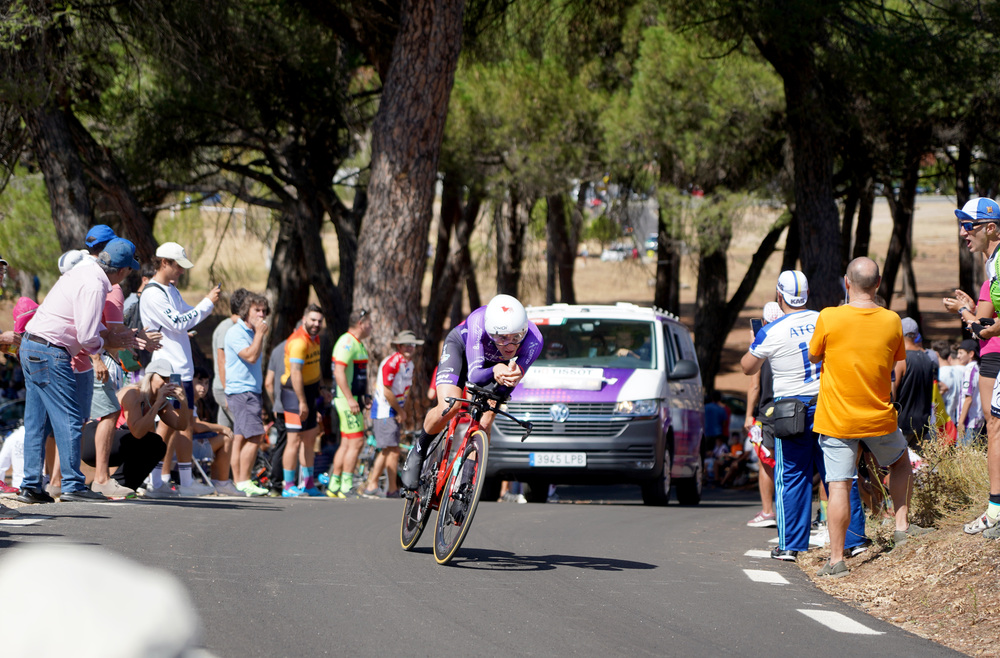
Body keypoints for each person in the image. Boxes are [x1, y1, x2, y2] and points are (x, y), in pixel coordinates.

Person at [810, 257, 932, 578]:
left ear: (846, 283)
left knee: (838, 485)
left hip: (837, 418)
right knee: (900, 462)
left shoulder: (829, 317)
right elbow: (894, 359)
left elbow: (814, 354)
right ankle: (902, 527)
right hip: (878, 416)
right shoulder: (892, 320)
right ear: (878, 285)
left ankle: (837, 561)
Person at [741, 270, 867, 562]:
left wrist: (755, 339)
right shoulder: (826, 318)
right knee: (839, 474)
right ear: (807, 294)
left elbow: (748, 367)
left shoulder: (771, 330)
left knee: (792, 476)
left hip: (791, 410)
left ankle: (791, 546)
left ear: (779, 295)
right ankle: (855, 539)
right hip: (829, 403)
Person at [17, 237, 138, 504]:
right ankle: (73, 484)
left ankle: (31, 485)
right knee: (71, 418)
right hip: (51, 351)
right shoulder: (96, 287)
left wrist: (108, 337)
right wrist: (108, 342)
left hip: (32, 345)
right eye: (130, 269)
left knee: (37, 423)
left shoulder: (84, 271)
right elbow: (87, 336)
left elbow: (87, 326)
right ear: (121, 270)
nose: (128, 275)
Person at [400, 294, 543, 490]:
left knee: (486, 419)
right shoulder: (478, 320)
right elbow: (474, 376)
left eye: (516, 337)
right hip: (462, 349)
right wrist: (495, 370)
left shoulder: (535, 340)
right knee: (449, 406)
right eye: (502, 337)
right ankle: (419, 449)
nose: (510, 345)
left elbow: (507, 386)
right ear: (492, 332)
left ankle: (466, 482)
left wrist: (508, 377)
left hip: (494, 366)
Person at [140, 241, 220, 497]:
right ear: (164, 263)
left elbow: (184, 316)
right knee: (165, 424)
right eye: (178, 266)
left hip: (181, 367)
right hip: (168, 369)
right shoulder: (153, 293)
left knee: (181, 424)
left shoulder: (170, 290)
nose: (182, 272)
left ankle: (175, 480)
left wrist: (195, 316)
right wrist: (207, 303)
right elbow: (178, 322)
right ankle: (153, 480)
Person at [944, 198, 1000, 537]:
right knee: (994, 426)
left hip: (994, 354)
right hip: (992, 352)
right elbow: (984, 321)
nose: (964, 232)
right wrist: (974, 316)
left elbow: (984, 325)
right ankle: (994, 507)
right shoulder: (991, 264)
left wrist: (972, 318)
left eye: (970, 226)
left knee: (994, 427)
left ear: (991, 228)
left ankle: (994, 509)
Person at [81, 360, 187, 494]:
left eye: (169, 379)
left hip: (114, 444)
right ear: (150, 377)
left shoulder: (161, 402)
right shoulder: (134, 393)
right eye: (163, 378)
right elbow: (137, 432)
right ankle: (105, 484)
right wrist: (157, 403)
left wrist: (183, 403)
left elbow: (181, 425)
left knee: (157, 445)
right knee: (152, 442)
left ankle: (121, 487)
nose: (166, 383)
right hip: (92, 440)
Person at [362, 330, 423, 498]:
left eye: (413, 345)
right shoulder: (392, 362)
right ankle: (392, 489)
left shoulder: (408, 364)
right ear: (399, 346)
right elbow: (387, 391)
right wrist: (400, 410)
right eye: (407, 344)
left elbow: (405, 389)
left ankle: (372, 484)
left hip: (394, 409)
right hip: (384, 409)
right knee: (393, 450)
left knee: (388, 449)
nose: (410, 348)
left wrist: (402, 409)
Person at [224, 293, 270, 496]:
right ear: (246, 311)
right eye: (256, 310)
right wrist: (260, 335)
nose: (261, 315)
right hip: (242, 391)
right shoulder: (237, 333)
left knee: (241, 437)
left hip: (250, 390)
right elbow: (250, 357)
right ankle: (243, 480)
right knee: (256, 434)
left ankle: (239, 481)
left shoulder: (251, 332)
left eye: (263, 311)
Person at [279, 304, 326, 497]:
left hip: (311, 391)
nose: (316, 324)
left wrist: (322, 388)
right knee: (294, 439)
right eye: (313, 320)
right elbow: (296, 374)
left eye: (319, 321)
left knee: (310, 438)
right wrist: (302, 402)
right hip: (294, 395)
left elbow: (315, 367)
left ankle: (307, 483)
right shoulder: (298, 342)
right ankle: (288, 485)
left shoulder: (315, 339)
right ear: (304, 319)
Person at [326, 309, 373, 498]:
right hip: (347, 400)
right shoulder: (346, 342)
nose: (371, 327)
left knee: (347, 443)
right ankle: (346, 486)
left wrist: (365, 395)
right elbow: (338, 372)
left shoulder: (358, 344)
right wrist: (350, 399)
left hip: (354, 398)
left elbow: (359, 374)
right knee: (356, 442)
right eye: (369, 323)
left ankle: (334, 484)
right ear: (361, 323)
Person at [745, 301, 782, 528]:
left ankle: (768, 511)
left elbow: (754, 384)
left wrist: (749, 414)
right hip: (795, 408)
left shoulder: (761, 343)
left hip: (767, 412)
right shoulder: (791, 339)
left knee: (766, 463)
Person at [191, 368, 239, 495]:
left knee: (224, 436)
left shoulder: (195, 402)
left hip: (190, 445)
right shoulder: (188, 399)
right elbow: (197, 426)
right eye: (199, 382)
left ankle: (219, 482)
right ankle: (222, 482)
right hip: (184, 450)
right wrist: (221, 427)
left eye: (207, 383)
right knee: (227, 436)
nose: (204, 387)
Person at [211, 288, 249, 433]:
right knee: (246, 430)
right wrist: (229, 393)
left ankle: (225, 456)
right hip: (225, 388)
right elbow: (222, 361)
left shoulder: (236, 328)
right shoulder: (227, 328)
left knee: (226, 432)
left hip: (229, 389)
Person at [894, 317, 936, 444]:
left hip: (903, 423)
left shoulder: (901, 360)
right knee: (920, 463)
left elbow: (892, 392)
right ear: (916, 334)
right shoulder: (928, 358)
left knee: (899, 462)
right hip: (923, 423)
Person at [263, 337, 289, 493]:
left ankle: (276, 484)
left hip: (280, 405)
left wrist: (275, 403)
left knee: (281, 443)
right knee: (293, 443)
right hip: (295, 405)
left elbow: (268, 383)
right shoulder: (303, 346)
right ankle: (291, 482)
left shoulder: (276, 349)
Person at [957, 339, 985, 444]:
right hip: (977, 418)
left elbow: (968, 398)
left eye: (961, 353)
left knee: (962, 455)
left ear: (971, 354)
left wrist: (961, 422)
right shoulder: (978, 368)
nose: (958, 356)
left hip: (969, 421)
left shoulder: (969, 370)